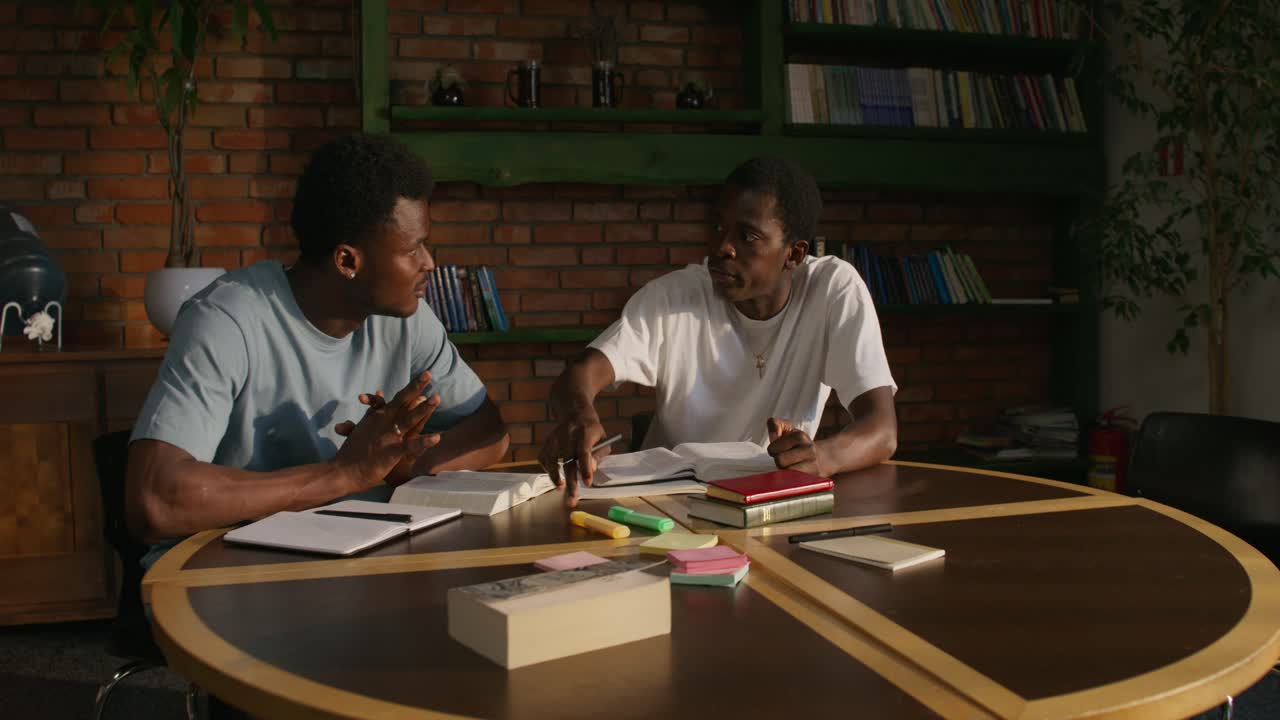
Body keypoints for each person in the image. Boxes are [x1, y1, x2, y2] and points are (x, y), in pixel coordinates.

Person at [126, 133, 509, 551]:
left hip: (356, 556)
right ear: (347, 261)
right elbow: (155, 500)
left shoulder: (407, 319)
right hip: (225, 571)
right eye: (414, 248)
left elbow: (489, 430)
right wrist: (344, 474)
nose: (429, 263)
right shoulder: (225, 319)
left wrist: (401, 464)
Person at [539, 156, 897, 505]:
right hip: (670, 503)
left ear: (795, 254)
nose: (722, 247)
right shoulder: (677, 296)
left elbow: (882, 431)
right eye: (719, 227)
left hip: (765, 502)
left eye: (748, 236)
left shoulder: (833, 290)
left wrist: (823, 457)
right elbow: (580, 374)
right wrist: (579, 414)